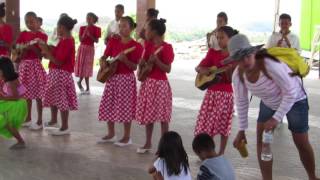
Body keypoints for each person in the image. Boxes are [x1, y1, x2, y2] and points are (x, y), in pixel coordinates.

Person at [229, 34, 319, 180]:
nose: (245, 61)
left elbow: (291, 92)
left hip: (295, 99)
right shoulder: (238, 76)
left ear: (254, 52)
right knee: (261, 140)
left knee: (301, 141)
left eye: (247, 55)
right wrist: (241, 130)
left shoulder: (271, 65)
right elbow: (241, 101)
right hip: (269, 101)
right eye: (240, 58)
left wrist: (276, 118)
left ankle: (312, 176)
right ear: (234, 61)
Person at [97, 16, 143, 146]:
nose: (121, 28)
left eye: (124, 26)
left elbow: (134, 67)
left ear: (131, 28)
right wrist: (102, 62)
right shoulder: (113, 41)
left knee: (125, 107)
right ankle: (111, 134)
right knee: (108, 104)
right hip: (112, 77)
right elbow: (104, 56)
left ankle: (127, 137)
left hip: (126, 79)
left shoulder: (136, 46)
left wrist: (125, 60)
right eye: (120, 26)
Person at [194, 26, 238, 155]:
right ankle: (208, 150)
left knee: (223, 125)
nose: (219, 40)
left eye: (222, 37)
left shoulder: (234, 57)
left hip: (226, 94)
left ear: (230, 39)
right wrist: (205, 70)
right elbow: (198, 67)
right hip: (211, 94)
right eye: (217, 37)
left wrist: (229, 71)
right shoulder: (212, 53)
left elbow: (230, 80)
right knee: (208, 125)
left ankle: (221, 152)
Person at [136, 18, 174, 154]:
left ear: (154, 32)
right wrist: (141, 63)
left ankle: (164, 147)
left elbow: (167, 69)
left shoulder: (167, 47)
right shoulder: (148, 45)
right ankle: (148, 143)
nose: (145, 31)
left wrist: (156, 60)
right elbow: (143, 63)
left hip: (160, 85)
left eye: (147, 29)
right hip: (148, 83)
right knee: (149, 116)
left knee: (163, 117)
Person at [40, 15, 78, 136]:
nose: (57, 29)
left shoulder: (67, 41)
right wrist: (46, 49)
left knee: (62, 101)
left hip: (61, 74)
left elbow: (59, 61)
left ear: (63, 27)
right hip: (56, 73)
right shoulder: (62, 40)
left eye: (58, 27)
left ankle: (65, 127)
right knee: (56, 98)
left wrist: (46, 51)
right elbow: (53, 56)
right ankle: (57, 122)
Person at [16, 12, 48, 130]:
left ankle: (39, 121)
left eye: (32, 21)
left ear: (37, 22)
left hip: (35, 66)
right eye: (27, 22)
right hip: (24, 67)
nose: (30, 24)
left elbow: (41, 55)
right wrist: (23, 49)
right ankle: (28, 118)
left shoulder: (42, 36)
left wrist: (32, 47)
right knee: (25, 94)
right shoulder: (23, 34)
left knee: (38, 94)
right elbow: (18, 52)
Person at [0, 57, 28, 149]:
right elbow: (23, 91)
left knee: (7, 124)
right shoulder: (13, 79)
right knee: (6, 123)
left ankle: (21, 141)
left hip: (15, 105)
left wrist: (3, 97)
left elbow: (15, 97)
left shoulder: (10, 82)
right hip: (18, 103)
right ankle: (20, 141)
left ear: (4, 71)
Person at [75, 12, 101, 95]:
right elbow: (81, 40)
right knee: (83, 67)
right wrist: (84, 34)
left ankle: (84, 85)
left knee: (87, 67)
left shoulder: (97, 29)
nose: (88, 19)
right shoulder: (82, 28)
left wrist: (90, 35)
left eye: (90, 18)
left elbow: (96, 41)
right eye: (87, 17)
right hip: (82, 48)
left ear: (93, 19)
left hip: (90, 49)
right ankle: (85, 86)